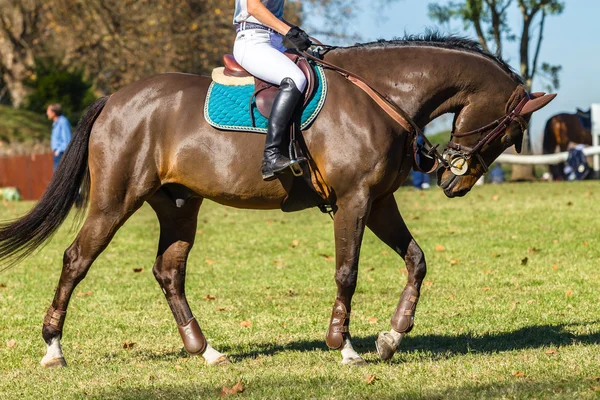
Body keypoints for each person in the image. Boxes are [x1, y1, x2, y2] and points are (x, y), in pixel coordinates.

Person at [233, 0, 312, 181]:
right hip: (253, 42)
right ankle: (271, 156)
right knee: (295, 79)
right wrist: (288, 31)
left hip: (273, 42)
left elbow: (272, 15)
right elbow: (253, 7)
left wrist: (295, 30)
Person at [46, 104, 72, 170]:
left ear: (54, 113)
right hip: (57, 155)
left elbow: (67, 140)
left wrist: (58, 151)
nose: (47, 113)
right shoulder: (55, 123)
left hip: (61, 154)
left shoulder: (63, 122)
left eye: (48, 111)